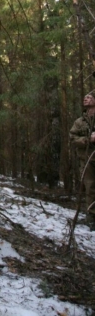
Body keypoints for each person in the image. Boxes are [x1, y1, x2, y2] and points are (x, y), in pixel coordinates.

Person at [69, 92, 95, 231]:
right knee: (90, 187)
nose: (86, 98)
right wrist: (87, 140)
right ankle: (92, 217)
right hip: (86, 159)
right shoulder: (79, 122)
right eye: (84, 97)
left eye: (89, 97)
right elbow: (72, 138)